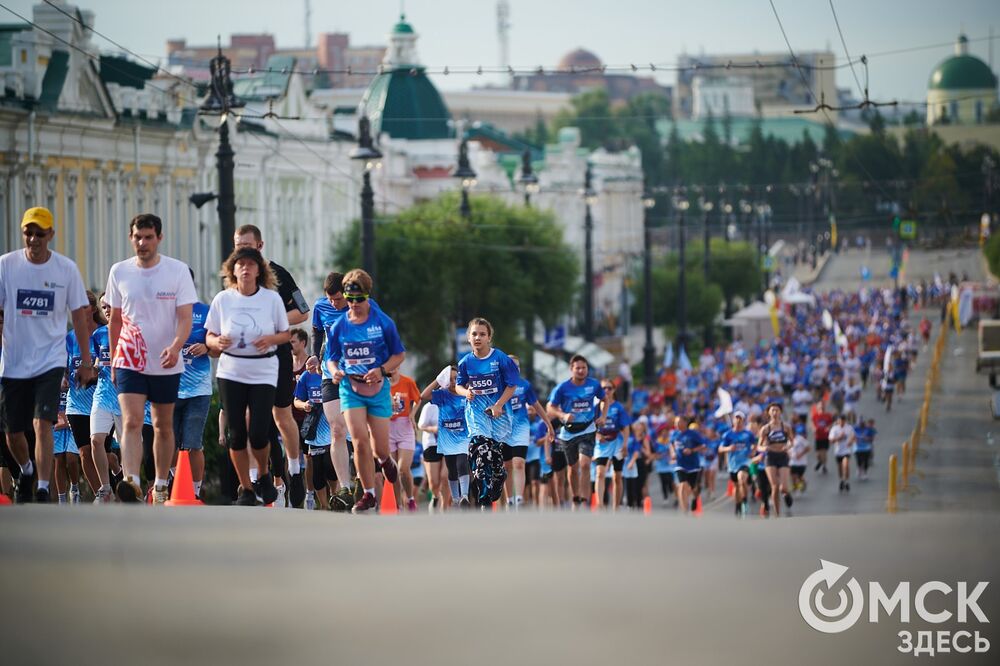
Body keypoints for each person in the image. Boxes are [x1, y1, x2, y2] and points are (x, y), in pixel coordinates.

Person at [0, 206, 96, 503]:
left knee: (42, 424)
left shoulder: (65, 269)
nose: (33, 239)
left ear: (50, 235)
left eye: (40, 233)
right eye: (28, 233)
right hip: (14, 362)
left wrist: (86, 361)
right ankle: (27, 470)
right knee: (14, 432)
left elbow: (80, 316)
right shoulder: (6, 265)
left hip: (50, 361)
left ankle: (42, 487)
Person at [106, 213, 196, 504]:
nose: (142, 243)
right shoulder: (119, 271)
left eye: (148, 237)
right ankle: (130, 482)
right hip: (130, 357)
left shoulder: (177, 271)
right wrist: (113, 360)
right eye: (137, 237)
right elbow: (115, 321)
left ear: (159, 238)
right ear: (130, 238)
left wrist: (176, 346)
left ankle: (159, 485)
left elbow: (185, 318)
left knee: (162, 425)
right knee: (131, 422)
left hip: (166, 360)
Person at [206, 247, 290, 506]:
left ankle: (263, 474)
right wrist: (217, 341)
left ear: (258, 270)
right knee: (237, 434)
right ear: (232, 270)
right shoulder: (223, 299)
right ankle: (246, 488)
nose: (245, 268)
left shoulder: (271, 299)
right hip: (231, 370)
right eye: (240, 264)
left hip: (263, 370)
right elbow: (209, 337)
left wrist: (270, 339)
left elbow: (285, 334)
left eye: (250, 264)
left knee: (258, 433)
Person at [233, 225, 309, 507]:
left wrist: (272, 321)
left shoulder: (277, 274)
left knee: (281, 416)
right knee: (250, 418)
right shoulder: (233, 277)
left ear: (260, 245)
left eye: (247, 245)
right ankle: (254, 482)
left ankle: (294, 471)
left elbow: (303, 311)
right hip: (245, 357)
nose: (242, 250)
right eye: (238, 245)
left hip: (276, 354)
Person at [325, 270, 405, 513]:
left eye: (359, 300)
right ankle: (368, 494)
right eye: (350, 300)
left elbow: (399, 354)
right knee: (359, 441)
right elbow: (331, 358)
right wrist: (335, 371)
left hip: (378, 388)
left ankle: (385, 460)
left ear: (368, 296)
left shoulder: (382, 322)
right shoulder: (340, 325)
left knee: (378, 447)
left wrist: (381, 370)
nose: (354, 305)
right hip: (351, 388)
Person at [455, 318, 519, 507]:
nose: (478, 337)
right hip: (476, 412)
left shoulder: (500, 358)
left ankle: (499, 477)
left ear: (489, 338)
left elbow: (512, 384)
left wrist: (499, 405)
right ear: (468, 338)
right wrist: (466, 392)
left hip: (499, 415)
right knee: (479, 448)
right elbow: (458, 385)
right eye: (474, 334)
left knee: (494, 457)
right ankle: (483, 495)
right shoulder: (465, 362)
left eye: (482, 334)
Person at [306, 271, 354, 511]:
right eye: (331, 299)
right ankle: (345, 486)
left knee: (355, 431)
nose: (334, 304)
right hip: (329, 373)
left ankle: (360, 474)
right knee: (336, 429)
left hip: (356, 374)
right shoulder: (320, 306)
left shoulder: (358, 305)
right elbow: (316, 331)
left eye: (338, 299)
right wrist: (314, 355)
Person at [173, 271, 215, 499]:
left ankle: (196, 492)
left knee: (193, 444)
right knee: (169, 442)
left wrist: (206, 348)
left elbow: (217, 346)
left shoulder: (205, 311)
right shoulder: (165, 310)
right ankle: (171, 484)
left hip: (198, 389)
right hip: (169, 387)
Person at [547, 355, 606, 508]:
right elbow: (550, 407)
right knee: (573, 469)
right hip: (568, 432)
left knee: (585, 465)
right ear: (571, 369)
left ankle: (585, 501)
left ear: (587, 369)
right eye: (577, 368)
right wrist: (563, 415)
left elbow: (605, 399)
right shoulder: (562, 388)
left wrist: (603, 416)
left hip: (588, 429)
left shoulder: (594, 385)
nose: (581, 371)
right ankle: (575, 498)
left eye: (584, 368)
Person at [65, 291, 104, 499]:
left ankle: (114, 482)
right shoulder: (69, 338)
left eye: (84, 306)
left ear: (93, 309)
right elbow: (64, 365)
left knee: (105, 454)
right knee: (84, 452)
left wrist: (95, 372)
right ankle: (101, 493)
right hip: (76, 403)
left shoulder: (102, 333)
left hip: (101, 400)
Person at [503, 355, 553, 509]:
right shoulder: (497, 385)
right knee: (507, 466)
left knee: (519, 463)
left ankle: (519, 498)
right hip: (502, 430)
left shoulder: (525, 385)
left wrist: (548, 424)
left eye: (516, 366)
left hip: (520, 428)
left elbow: (537, 406)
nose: (514, 368)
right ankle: (509, 500)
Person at [421, 366, 470, 508]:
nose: (454, 381)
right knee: (452, 469)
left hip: (463, 437)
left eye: (456, 378)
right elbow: (424, 396)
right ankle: (455, 499)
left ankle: (465, 497)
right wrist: (438, 380)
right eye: (450, 379)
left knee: (462, 464)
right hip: (447, 438)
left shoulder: (465, 394)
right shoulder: (442, 394)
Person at [89, 296, 120, 502]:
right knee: (96, 440)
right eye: (103, 307)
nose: (106, 310)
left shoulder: (130, 331)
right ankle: (105, 487)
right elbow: (95, 361)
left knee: (127, 443)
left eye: (109, 306)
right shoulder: (98, 334)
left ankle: (130, 483)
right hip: (102, 394)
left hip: (126, 396)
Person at [593, 380, 631, 509]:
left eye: (609, 388)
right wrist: (597, 435)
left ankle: (616, 507)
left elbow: (626, 427)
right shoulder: (596, 406)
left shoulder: (618, 407)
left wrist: (625, 444)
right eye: (604, 388)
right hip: (602, 444)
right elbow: (589, 426)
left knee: (617, 476)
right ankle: (600, 504)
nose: (606, 391)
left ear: (614, 390)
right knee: (600, 473)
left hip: (617, 443)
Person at [388, 370, 421, 511]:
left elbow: (418, 399)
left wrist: (412, 415)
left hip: (405, 427)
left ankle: (410, 498)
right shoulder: (380, 383)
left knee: (403, 468)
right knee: (393, 471)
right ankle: (398, 505)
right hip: (387, 427)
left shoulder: (407, 382)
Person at [758, 402, 794, 517]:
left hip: (782, 456)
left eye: (777, 410)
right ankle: (777, 513)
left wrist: (787, 446)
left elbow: (792, 441)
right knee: (774, 486)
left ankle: (786, 494)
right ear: (768, 413)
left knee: (783, 487)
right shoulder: (765, 429)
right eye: (772, 410)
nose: (775, 412)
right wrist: (765, 447)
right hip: (770, 457)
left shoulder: (786, 427)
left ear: (780, 412)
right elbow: (759, 446)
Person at [718, 411, 754, 518]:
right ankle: (738, 505)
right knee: (737, 487)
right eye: (736, 418)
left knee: (742, 479)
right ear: (733, 420)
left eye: (740, 419)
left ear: (743, 421)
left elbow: (755, 444)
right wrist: (729, 448)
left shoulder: (748, 434)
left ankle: (745, 501)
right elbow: (720, 449)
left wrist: (752, 451)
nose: (738, 421)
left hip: (745, 462)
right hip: (733, 464)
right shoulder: (728, 435)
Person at [670, 417, 706, 515]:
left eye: (679, 422)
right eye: (676, 422)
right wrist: (673, 453)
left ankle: (694, 498)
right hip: (680, 463)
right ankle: (685, 510)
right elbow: (672, 444)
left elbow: (703, 446)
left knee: (692, 487)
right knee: (682, 484)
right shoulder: (674, 434)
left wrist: (692, 450)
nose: (677, 424)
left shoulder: (693, 434)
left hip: (693, 465)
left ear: (685, 423)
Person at [417, 397, 443, 510]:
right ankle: (435, 496)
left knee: (445, 477)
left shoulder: (455, 401)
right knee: (434, 482)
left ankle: (444, 505)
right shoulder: (429, 406)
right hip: (431, 444)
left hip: (449, 444)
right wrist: (434, 429)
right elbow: (421, 425)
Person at [829, 413, 855, 493]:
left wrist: (850, 441)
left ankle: (846, 481)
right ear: (837, 421)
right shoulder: (834, 429)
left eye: (843, 420)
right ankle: (841, 480)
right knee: (840, 468)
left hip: (846, 450)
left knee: (846, 465)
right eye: (840, 420)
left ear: (845, 420)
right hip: (838, 451)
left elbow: (853, 436)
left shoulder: (849, 428)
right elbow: (831, 440)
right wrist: (839, 437)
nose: (841, 422)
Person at [789, 424, 811, 493]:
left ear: (794, 432)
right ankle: (796, 487)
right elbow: (786, 449)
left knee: (799, 476)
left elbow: (808, 448)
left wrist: (801, 454)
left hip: (801, 462)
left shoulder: (800, 439)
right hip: (792, 462)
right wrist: (788, 454)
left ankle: (803, 483)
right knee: (793, 476)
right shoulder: (788, 440)